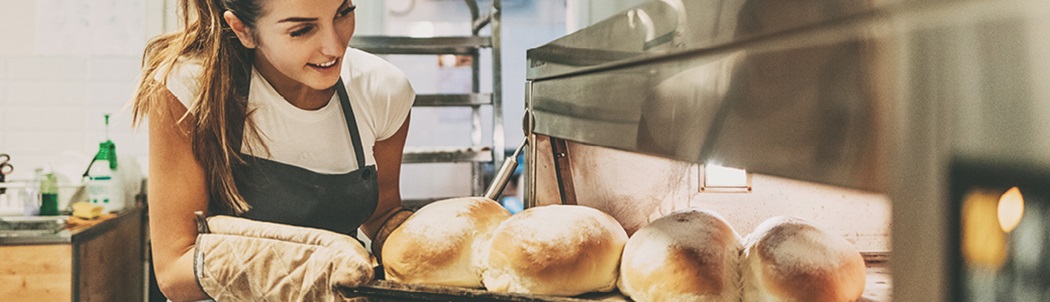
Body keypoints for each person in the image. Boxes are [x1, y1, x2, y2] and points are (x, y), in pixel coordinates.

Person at [131, 0, 416, 300]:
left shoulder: (381, 89)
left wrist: (444, 242)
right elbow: (174, 272)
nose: (334, 47)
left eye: (344, 12)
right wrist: (306, 267)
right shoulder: (191, 89)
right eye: (302, 30)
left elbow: (382, 214)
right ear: (243, 30)